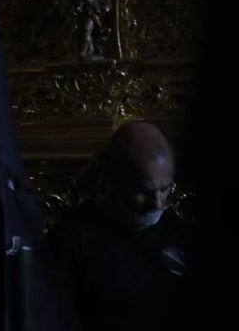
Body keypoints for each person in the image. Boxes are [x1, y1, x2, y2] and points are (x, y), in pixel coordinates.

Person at [48, 121, 193, 331]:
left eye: (165, 189)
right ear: (115, 180)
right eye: (143, 191)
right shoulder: (72, 238)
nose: (157, 203)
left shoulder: (180, 233)